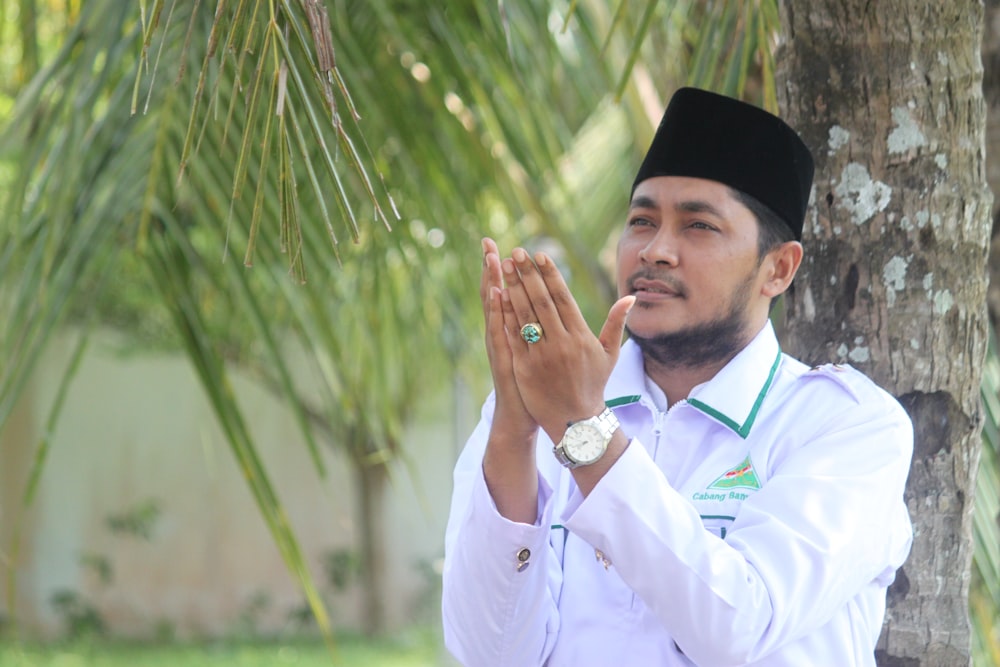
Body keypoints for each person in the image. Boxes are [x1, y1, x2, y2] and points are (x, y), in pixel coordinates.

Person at [441, 87, 913, 666]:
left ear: (778, 268)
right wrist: (516, 432)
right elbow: (484, 654)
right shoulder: (542, 411)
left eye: (699, 226)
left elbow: (738, 624)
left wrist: (582, 430)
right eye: (642, 220)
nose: (656, 250)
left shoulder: (843, 424)